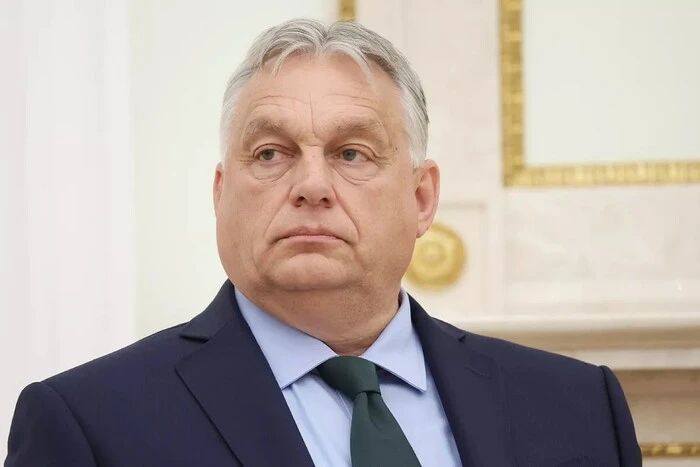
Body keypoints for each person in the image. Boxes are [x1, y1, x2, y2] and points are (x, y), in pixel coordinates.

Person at [5, 18, 641, 467]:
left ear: (422, 198)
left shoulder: (579, 408)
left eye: (352, 153)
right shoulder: (88, 426)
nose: (311, 185)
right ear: (221, 193)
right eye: (271, 152)